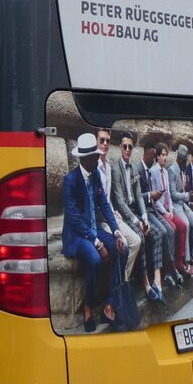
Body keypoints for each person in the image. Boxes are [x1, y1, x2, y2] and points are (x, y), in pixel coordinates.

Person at [62, 132, 129, 332]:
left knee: (122, 249)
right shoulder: (70, 180)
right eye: (94, 155)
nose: (97, 158)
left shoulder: (95, 175)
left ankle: (109, 305)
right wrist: (98, 244)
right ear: (85, 158)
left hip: (94, 229)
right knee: (94, 259)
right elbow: (74, 219)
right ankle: (88, 306)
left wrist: (116, 232)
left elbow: (105, 205)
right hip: (77, 235)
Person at [111, 131, 164, 302]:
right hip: (125, 215)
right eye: (124, 146)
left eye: (130, 147)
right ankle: (146, 284)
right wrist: (136, 221)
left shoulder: (133, 168)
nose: (127, 149)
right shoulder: (115, 170)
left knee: (156, 233)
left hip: (135, 211)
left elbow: (139, 196)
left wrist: (144, 218)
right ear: (120, 147)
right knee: (140, 236)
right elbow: (119, 201)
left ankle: (158, 281)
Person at [96, 129, 143, 284]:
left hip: (112, 215)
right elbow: (98, 203)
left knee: (136, 241)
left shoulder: (108, 166)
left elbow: (108, 199)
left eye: (107, 141)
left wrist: (114, 211)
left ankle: (124, 280)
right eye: (101, 140)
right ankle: (119, 286)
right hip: (102, 220)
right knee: (122, 244)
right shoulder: (95, 167)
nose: (104, 144)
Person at [145, 145, 188, 286]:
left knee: (180, 226)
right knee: (171, 229)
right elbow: (154, 200)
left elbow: (168, 194)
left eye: (166, 155)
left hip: (168, 210)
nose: (164, 158)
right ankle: (168, 270)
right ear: (157, 156)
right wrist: (165, 211)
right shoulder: (153, 172)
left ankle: (176, 263)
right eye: (162, 155)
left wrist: (171, 210)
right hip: (159, 210)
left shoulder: (164, 172)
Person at [168, 144, 193, 272]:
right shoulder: (172, 170)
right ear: (179, 159)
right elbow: (173, 194)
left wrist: (189, 196)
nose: (184, 163)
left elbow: (182, 189)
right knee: (186, 224)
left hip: (183, 204)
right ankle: (185, 260)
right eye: (183, 160)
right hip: (176, 205)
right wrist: (187, 195)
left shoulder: (181, 170)